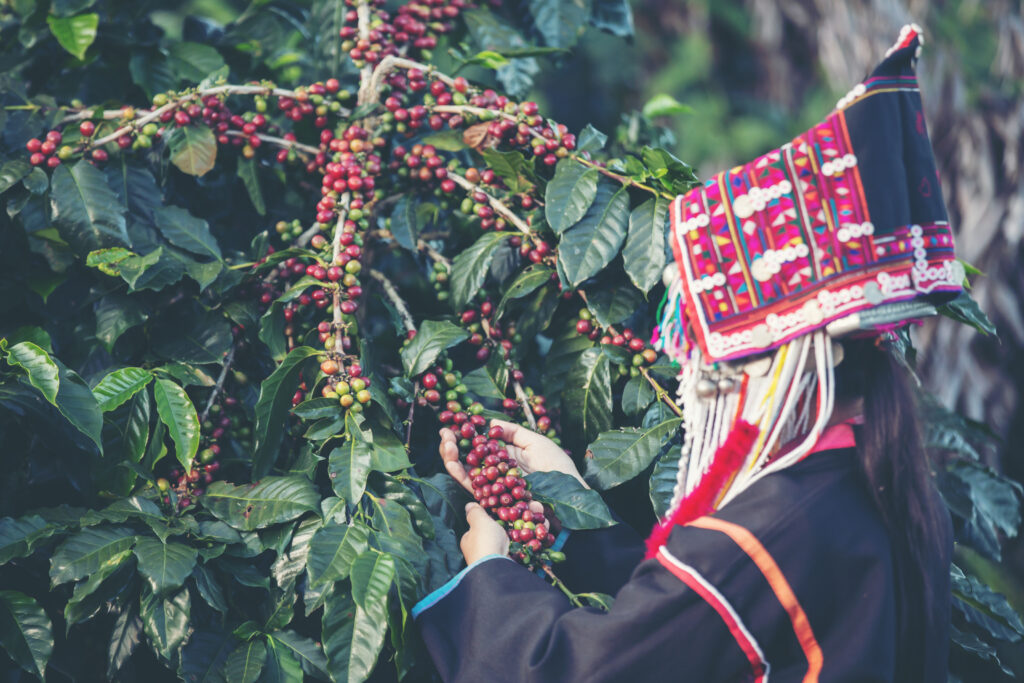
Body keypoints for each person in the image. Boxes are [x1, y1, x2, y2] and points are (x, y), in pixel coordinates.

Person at [413, 25, 958, 682]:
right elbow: (684, 629)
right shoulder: (888, 489)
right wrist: (574, 507)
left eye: (717, 359)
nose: (700, 384)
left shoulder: (760, 534)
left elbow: (579, 672)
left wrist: (488, 576)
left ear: (794, 356)